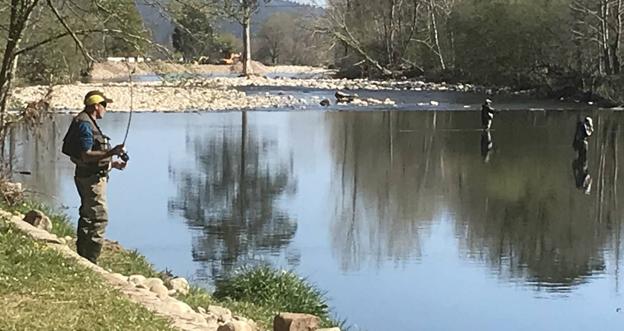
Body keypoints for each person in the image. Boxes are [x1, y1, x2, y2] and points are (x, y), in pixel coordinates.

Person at [62, 90, 127, 264]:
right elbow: (86, 155)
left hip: (87, 176)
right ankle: (91, 261)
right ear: (96, 106)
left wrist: (112, 164)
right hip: (91, 180)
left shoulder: (85, 121)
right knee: (99, 218)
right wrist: (112, 152)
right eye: (104, 105)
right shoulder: (85, 124)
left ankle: (82, 256)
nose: (106, 109)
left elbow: (88, 157)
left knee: (87, 215)